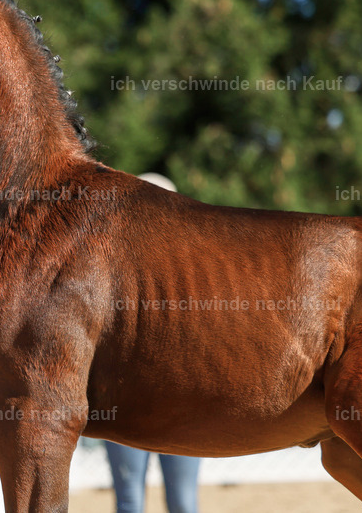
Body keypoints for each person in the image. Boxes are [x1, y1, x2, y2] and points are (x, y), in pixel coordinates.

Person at [102, 172, 202, 513]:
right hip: (156, 403)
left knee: (141, 499)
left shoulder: (191, 271)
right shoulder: (194, 273)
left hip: (144, 402)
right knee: (173, 501)